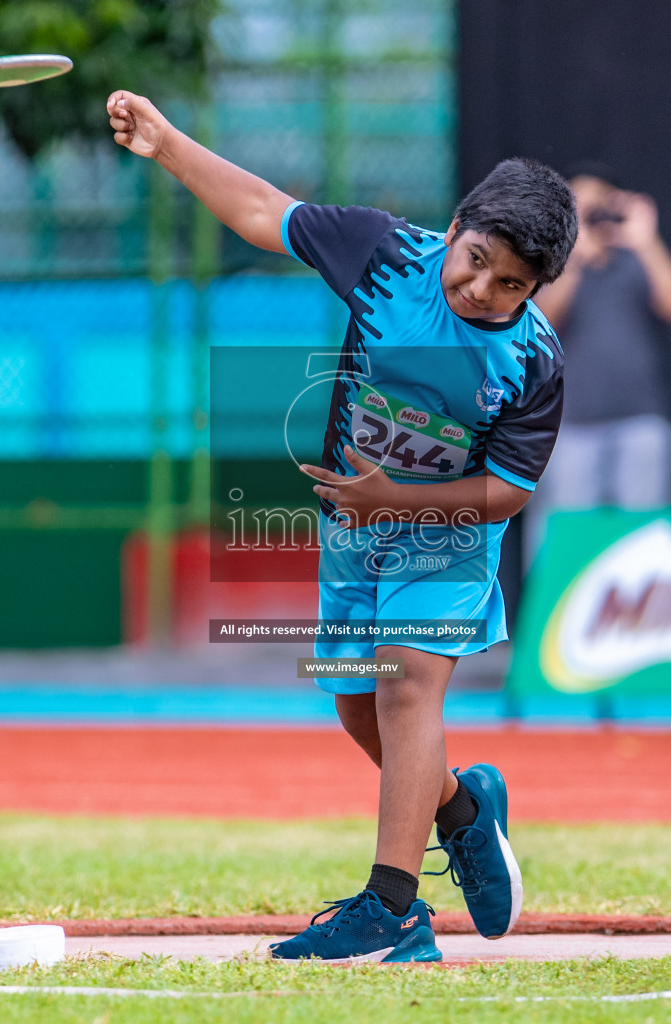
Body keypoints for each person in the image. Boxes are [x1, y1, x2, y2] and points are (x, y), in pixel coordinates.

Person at [106, 92, 576, 959]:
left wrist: (393, 500)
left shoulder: (534, 360)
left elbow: (508, 490)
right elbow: (260, 210)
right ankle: (465, 812)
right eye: (475, 261)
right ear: (457, 225)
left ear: (538, 287)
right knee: (360, 714)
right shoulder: (387, 254)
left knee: (405, 689)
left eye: (510, 283)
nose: (481, 290)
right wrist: (168, 143)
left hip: (446, 536)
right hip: (351, 531)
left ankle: (393, 907)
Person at [526, 170, 671, 559]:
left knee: (646, 539)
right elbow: (537, 325)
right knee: (561, 538)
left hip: (639, 421)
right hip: (570, 426)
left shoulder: (633, 260)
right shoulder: (550, 265)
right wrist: (572, 260)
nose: (591, 219)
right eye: (580, 211)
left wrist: (647, 241)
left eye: (597, 208)